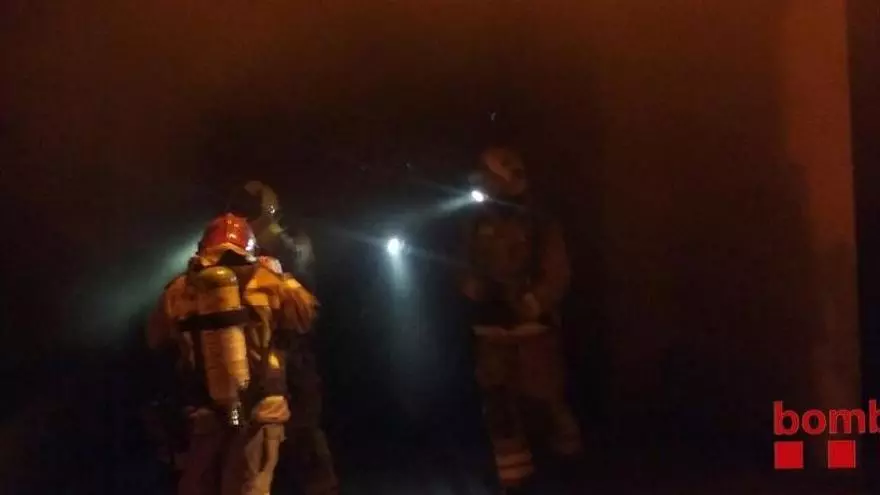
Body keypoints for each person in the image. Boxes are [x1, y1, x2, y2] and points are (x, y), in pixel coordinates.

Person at [147, 213, 318, 495]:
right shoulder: (269, 280)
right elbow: (304, 317)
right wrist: (280, 275)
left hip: (205, 409)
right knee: (250, 488)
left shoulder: (178, 289)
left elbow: (156, 337)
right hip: (263, 407)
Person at [460, 147, 583, 494]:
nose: (482, 181)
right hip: (491, 331)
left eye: (490, 175)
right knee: (500, 411)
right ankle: (514, 483)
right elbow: (463, 264)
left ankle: (567, 474)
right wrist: (471, 287)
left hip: (533, 332)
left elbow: (557, 272)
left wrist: (534, 301)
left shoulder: (539, 220)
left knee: (546, 404)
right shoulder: (475, 221)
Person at [257, 255, 340, 495]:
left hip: (288, 383)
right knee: (304, 446)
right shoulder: (291, 292)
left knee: (303, 444)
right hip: (288, 383)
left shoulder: (275, 293)